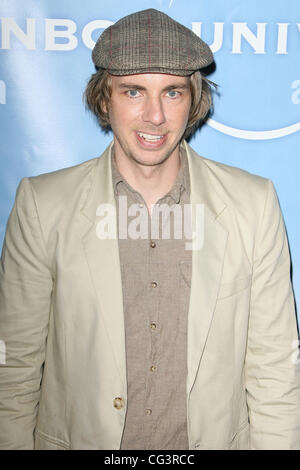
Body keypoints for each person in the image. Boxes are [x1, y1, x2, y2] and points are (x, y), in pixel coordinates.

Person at [0, 8, 299, 451]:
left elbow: (275, 369)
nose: (155, 116)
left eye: (173, 92)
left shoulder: (252, 204)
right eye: (134, 91)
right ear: (105, 99)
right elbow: (13, 370)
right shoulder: (44, 205)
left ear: (193, 100)